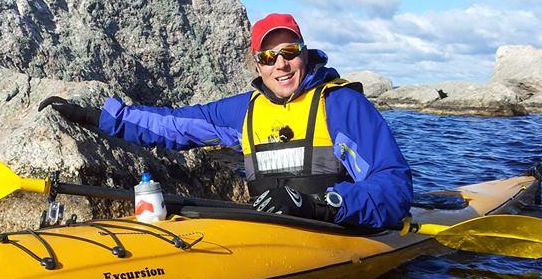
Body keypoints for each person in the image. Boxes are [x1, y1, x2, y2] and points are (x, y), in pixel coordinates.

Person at [38, 13, 413, 229]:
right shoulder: (243, 111)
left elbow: (394, 187)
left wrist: (321, 203)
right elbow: (171, 126)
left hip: (339, 235)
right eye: (268, 57)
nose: (280, 64)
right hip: (267, 234)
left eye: (289, 52)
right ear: (257, 64)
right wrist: (94, 117)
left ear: (305, 55)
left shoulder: (342, 105)